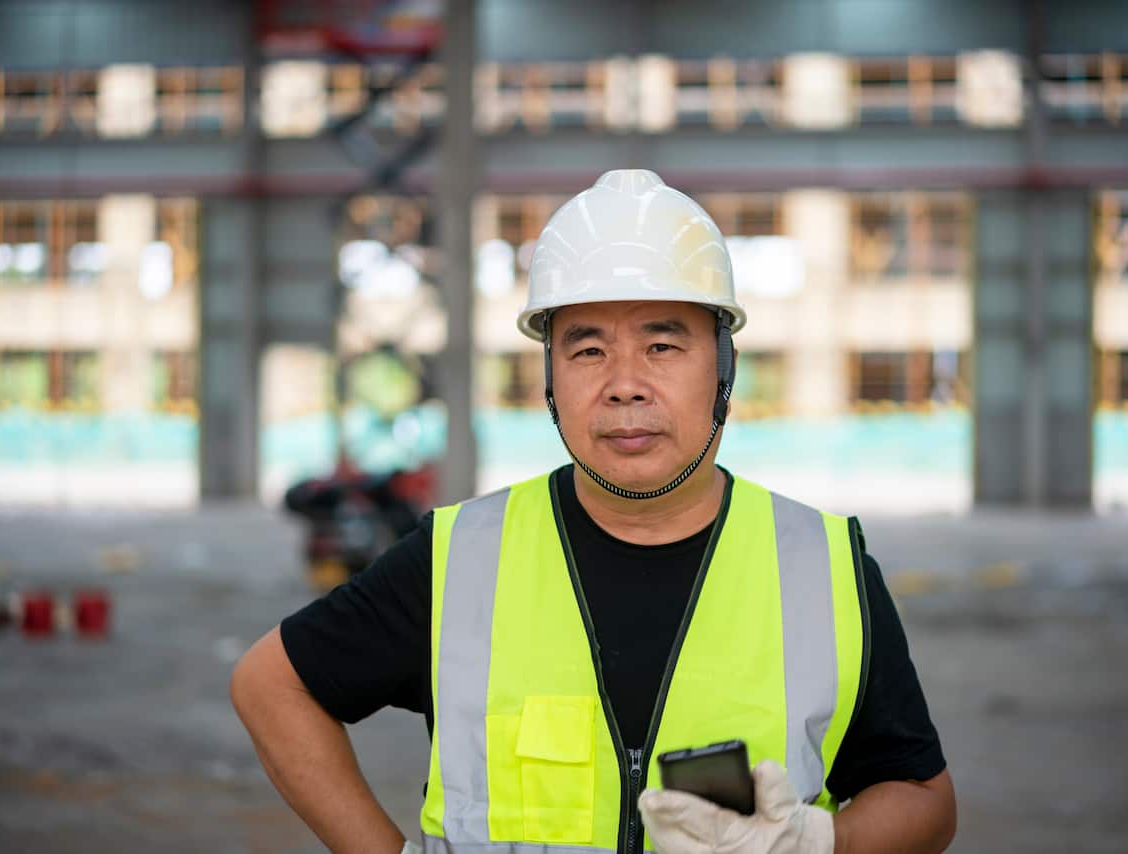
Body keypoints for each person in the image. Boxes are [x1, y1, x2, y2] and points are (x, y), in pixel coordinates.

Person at [232, 169, 957, 854]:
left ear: (723, 367)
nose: (624, 385)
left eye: (664, 344)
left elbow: (924, 799)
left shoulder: (819, 565)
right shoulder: (462, 559)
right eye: (587, 349)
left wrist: (819, 844)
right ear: (550, 378)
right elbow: (271, 684)